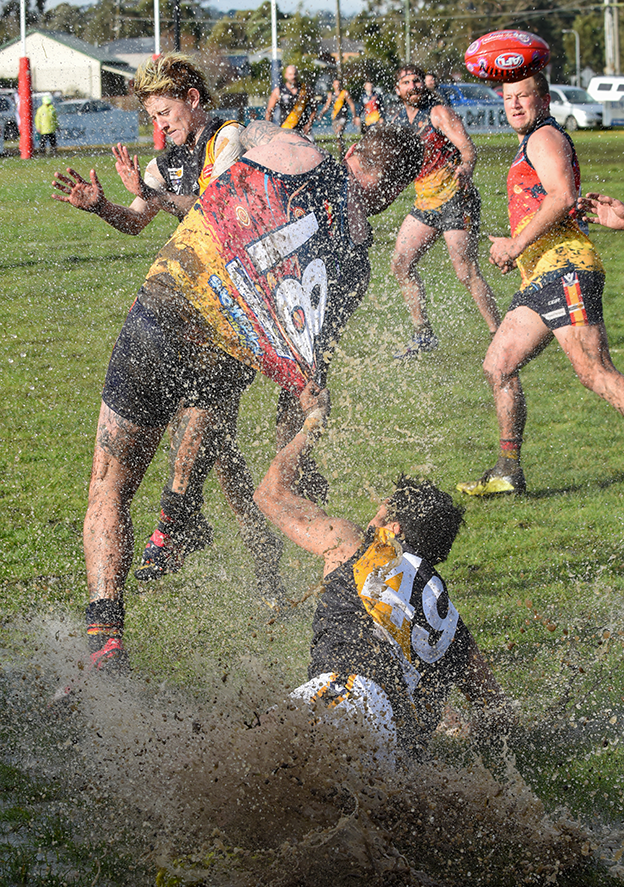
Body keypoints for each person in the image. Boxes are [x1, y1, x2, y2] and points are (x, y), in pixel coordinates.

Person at [77, 122, 424, 675]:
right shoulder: (356, 258)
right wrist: (294, 455)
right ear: (398, 189)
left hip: (169, 306)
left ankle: (105, 637)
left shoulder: (294, 147)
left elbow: (224, 130)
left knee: (110, 483)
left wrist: (182, 131)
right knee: (216, 466)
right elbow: (308, 374)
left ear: (353, 149)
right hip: (229, 353)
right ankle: (185, 521)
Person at [51, 53, 283, 597]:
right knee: (220, 457)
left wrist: (153, 196)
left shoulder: (229, 139)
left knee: (203, 434)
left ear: (193, 100)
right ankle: (259, 558)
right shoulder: (162, 163)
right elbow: (138, 223)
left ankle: (189, 526)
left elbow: (215, 211)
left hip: (235, 315)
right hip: (193, 312)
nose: (160, 125)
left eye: (165, 112)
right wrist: (103, 205)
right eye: (152, 116)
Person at [254, 382, 516, 763]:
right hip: (397, 752)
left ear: (393, 530)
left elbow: (270, 495)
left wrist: (312, 423)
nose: (370, 520)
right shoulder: (449, 623)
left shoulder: (356, 546)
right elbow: (498, 714)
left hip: (342, 700)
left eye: (379, 514)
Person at [457, 73, 624, 497]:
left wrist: (515, 245)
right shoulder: (529, 140)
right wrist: (519, 250)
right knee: (498, 365)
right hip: (543, 275)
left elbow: (562, 195)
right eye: (508, 98)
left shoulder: (544, 136)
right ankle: (508, 470)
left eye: (523, 97)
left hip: (566, 269)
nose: (514, 105)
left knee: (595, 373)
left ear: (544, 100)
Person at [390, 64, 500, 357]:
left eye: (416, 81)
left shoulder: (439, 113)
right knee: (401, 264)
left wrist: (466, 167)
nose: (413, 86)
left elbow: (468, 149)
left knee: (466, 272)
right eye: (406, 82)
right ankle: (423, 334)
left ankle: (497, 332)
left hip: (455, 198)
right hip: (426, 201)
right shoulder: (399, 120)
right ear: (397, 90)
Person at [265, 64, 316, 137]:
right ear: (286, 75)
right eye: (290, 74)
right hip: (286, 128)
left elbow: (314, 109)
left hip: (304, 130)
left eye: (295, 74)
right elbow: (269, 110)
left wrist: (309, 124)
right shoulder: (278, 91)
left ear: (297, 74)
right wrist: (269, 128)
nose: (293, 77)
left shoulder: (306, 89)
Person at [317, 78, 358, 156]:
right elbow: (327, 105)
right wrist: (321, 114)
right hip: (335, 117)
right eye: (335, 84)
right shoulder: (331, 94)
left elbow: (351, 104)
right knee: (338, 137)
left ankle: (342, 153)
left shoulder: (345, 93)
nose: (337, 86)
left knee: (338, 132)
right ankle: (341, 152)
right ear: (333, 85)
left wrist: (354, 116)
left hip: (343, 117)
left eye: (339, 84)